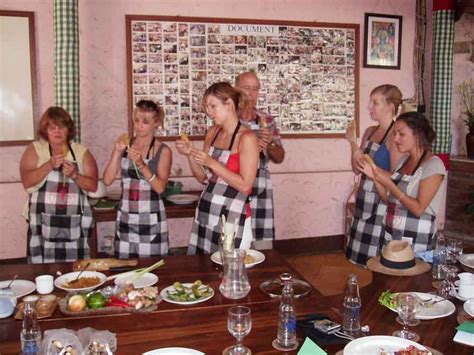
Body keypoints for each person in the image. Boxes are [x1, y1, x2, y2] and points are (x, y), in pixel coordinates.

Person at [176, 82, 259, 254]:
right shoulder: (212, 132)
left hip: (234, 216)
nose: (209, 112)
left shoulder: (247, 137)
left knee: (230, 272)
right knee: (204, 272)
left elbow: (245, 185)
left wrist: (212, 163)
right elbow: (203, 178)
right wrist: (190, 154)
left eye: (213, 106)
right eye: (206, 107)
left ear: (229, 104)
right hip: (208, 211)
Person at [19, 107, 98, 263]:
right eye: (52, 127)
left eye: (61, 126)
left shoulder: (81, 152)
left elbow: (93, 186)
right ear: (45, 130)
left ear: (68, 130)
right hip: (42, 220)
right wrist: (49, 165)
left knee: (77, 268)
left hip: (75, 222)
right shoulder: (35, 149)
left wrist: (75, 175)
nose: (57, 131)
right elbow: (27, 181)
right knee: (40, 268)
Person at [361, 112, 446, 252]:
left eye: (401, 134)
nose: (395, 139)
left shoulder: (433, 165)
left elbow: (418, 209)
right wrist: (375, 177)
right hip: (391, 236)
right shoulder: (402, 161)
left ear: (417, 135)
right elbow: (389, 200)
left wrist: (389, 184)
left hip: (416, 240)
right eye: (394, 134)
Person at [103, 100, 172, 258]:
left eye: (145, 122)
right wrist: (116, 151)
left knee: (153, 269)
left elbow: (160, 188)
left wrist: (142, 165)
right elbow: (107, 180)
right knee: (125, 269)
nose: (139, 125)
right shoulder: (126, 146)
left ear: (156, 123)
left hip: (151, 218)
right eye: (136, 120)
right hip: (126, 216)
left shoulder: (163, 150)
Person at [344, 84, 403, 266]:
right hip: (364, 199)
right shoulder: (370, 132)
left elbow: (395, 176)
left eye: (375, 103)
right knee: (360, 259)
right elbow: (357, 168)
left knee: (378, 260)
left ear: (390, 107)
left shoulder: (395, 137)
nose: (370, 107)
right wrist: (353, 143)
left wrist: (373, 171)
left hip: (381, 203)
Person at [235, 71, 285, 245]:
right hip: (235, 183)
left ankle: (264, 270)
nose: (251, 94)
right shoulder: (229, 120)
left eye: (255, 89)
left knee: (263, 241)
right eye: (246, 88)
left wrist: (270, 143)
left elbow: (279, 158)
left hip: (261, 185)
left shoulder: (267, 120)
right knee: (235, 237)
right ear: (236, 90)